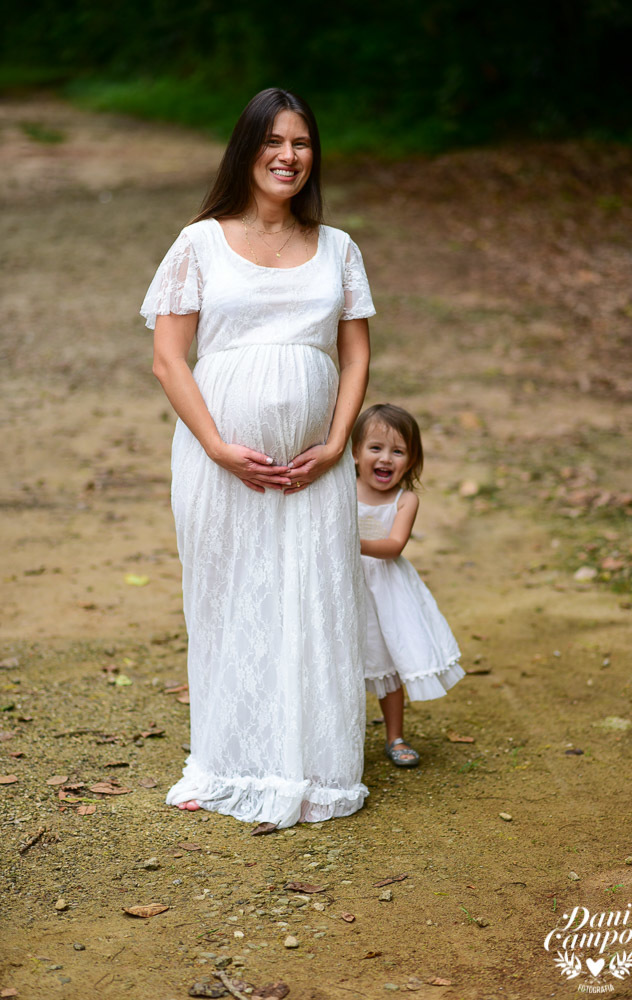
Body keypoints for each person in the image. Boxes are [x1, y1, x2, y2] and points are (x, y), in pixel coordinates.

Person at [140, 88, 375, 827]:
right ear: (246, 151)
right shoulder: (198, 243)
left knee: (313, 599)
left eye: (301, 144)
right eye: (274, 141)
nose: (288, 156)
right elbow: (169, 360)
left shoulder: (337, 247)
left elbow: (356, 354)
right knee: (230, 600)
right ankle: (233, 759)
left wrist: (335, 444)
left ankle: (312, 765)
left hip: (314, 466)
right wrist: (218, 447)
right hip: (220, 463)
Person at [351, 404, 464, 767]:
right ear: (354, 453)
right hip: (343, 586)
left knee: (389, 661)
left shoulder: (405, 500)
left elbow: (394, 546)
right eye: (375, 448)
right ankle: (339, 735)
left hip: (386, 590)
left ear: (411, 461)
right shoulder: (340, 488)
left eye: (398, 451)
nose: (386, 458)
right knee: (339, 659)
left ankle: (395, 736)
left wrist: (348, 543)